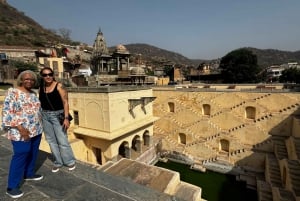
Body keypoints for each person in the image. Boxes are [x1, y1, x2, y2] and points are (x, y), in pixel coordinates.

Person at [1, 70, 44, 199]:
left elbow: (37, 110)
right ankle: (12, 186)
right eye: (26, 79)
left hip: (36, 129)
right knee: (21, 154)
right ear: (21, 79)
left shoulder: (33, 93)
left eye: (31, 79)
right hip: (20, 131)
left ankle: (29, 174)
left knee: (33, 152)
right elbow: (7, 113)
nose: (29, 81)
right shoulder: (13, 92)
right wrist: (21, 128)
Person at [38, 67, 76, 173]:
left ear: (53, 75)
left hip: (58, 116)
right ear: (42, 76)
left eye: (50, 74)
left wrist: (66, 118)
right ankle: (57, 162)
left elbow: (65, 102)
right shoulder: (41, 88)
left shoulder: (59, 86)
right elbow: (41, 103)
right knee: (51, 140)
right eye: (45, 75)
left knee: (62, 140)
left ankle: (69, 161)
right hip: (45, 116)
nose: (48, 77)